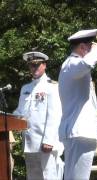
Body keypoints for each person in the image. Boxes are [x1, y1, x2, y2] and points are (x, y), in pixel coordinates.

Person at [58, 29, 97, 179]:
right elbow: (85, 64)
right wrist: (96, 52)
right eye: (91, 45)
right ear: (83, 47)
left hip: (78, 133)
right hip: (79, 133)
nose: (94, 48)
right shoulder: (73, 64)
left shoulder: (71, 65)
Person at [13, 51, 64, 180]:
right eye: (31, 65)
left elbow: (55, 115)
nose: (34, 68)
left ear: (44, 65)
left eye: (37, 65)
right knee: (33, 177)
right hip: (29, 143)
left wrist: (48, 141)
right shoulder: (25, 88)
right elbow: (20, 113)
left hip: (45, 143)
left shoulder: (52, 87)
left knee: (49, 177)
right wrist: (8, 117)